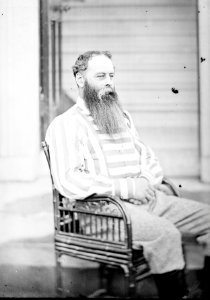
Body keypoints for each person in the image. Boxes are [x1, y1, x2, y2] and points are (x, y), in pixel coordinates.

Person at [45, 50, 210, 299]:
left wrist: (145, 180)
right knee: (166, 234)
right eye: (100, 76)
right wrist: (128, 188)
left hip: (147, 202)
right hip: (104, 212)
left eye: (112, 75)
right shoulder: (65, 125)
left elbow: (149, 159)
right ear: (80, 79)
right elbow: (69, 180)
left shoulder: (121, 117)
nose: (109, 81)